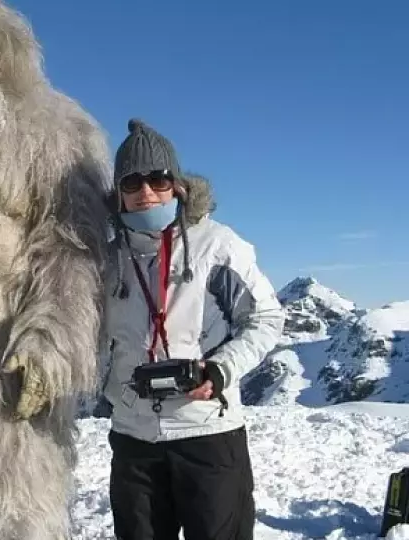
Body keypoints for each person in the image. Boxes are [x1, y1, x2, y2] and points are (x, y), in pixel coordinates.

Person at [100, 118, 285, 540]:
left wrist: (220, 370)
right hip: (133, 439)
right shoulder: (107, 261)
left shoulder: (217, 246)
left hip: (208, 433)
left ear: (177, 186)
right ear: (118, 195)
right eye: (132, 182)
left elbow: (266, 318)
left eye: (158, 179)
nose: (146, 192)